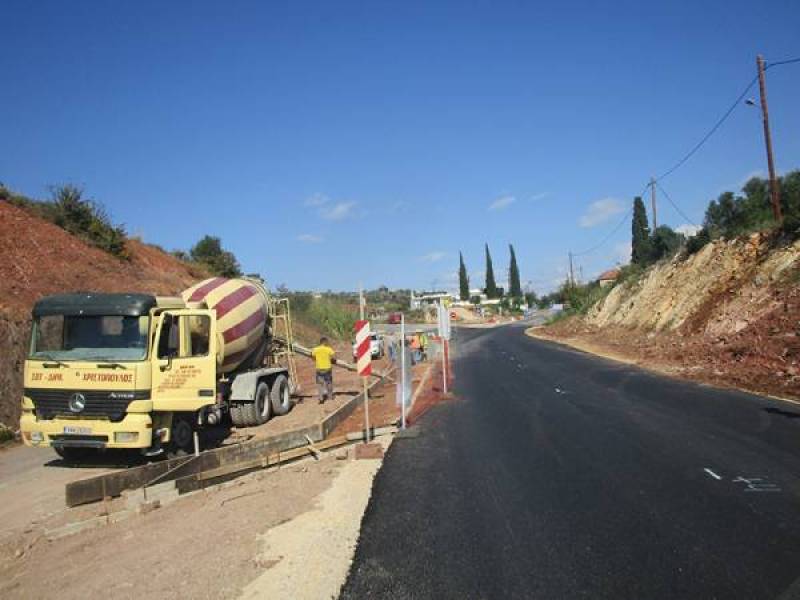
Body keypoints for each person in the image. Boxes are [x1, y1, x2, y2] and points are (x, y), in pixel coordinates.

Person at [311, 337, 336, 404]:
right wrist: (332, 360)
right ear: (325, 342)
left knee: (320, 384)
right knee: (329, 382)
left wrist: (317, 360)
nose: (327, 343)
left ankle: (321, 398)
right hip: (327, 368)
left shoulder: (315, 349)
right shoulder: (329, 349)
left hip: (319, 369)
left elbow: (313, 357)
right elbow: (333, 357)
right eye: (327, 342)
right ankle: (330, 396)